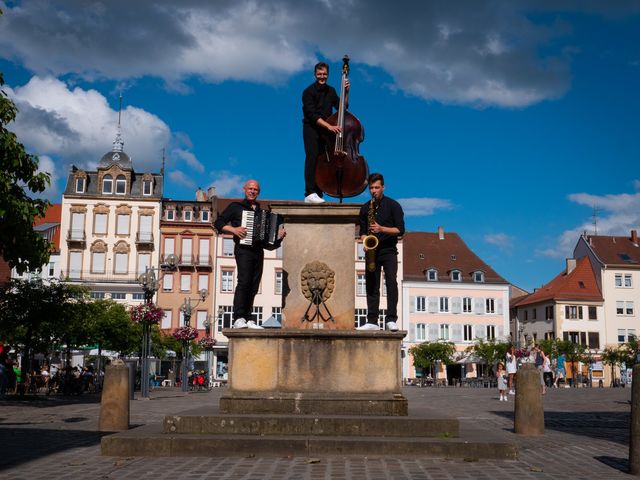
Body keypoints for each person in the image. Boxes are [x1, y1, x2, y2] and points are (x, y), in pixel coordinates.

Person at [214, 180, 286, 329]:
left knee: (254, 285)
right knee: (244, 282)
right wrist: (233, 230)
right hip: (243, 250)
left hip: (258, 251)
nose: (252, 191)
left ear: (258, 192)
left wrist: (278, 236)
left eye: (255, 189)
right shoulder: (236, 207)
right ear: (244, 189)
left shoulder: (262, 213)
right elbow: (218, 223)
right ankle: (238, 317)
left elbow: (269, 245)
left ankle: (248, 318)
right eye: (250, 188)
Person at [356, 173, 405, 332]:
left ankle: (391, 319)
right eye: (371, 188)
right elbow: (362, 232)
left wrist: (381, 228)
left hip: (389, 250)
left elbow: (400, 230)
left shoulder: (393, 205)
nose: (374, 191)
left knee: (391, 282)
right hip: (372, 250)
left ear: (383, 187)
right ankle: (372, 320)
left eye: (377, 187)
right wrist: (365, 241)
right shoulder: (365, 208)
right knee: (371, 285)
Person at [302, 61, 349, 204]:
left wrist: (346, 92)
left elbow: (342, 108)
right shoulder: (308, 92)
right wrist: (329, 126)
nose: (322, 76)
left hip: (326, 130)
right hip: (312, 128)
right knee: (312, 157)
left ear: (328, 75)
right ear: (315, 74)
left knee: (324, 160)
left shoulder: (331, 91)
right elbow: (312, 115)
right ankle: (309, 193)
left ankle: (319, 192)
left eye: (324, 74)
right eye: (319, 74)